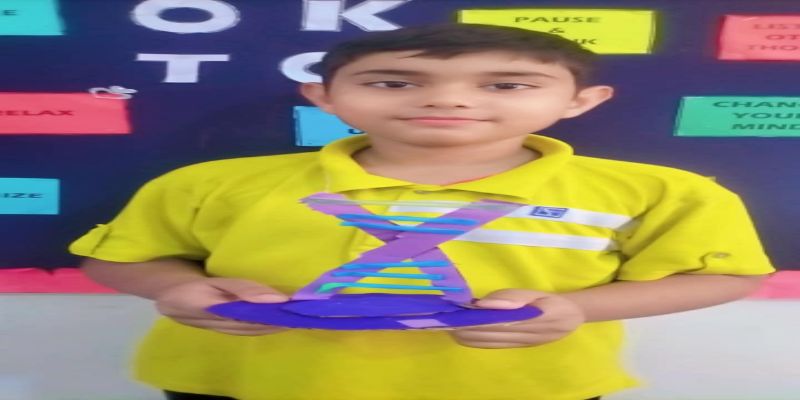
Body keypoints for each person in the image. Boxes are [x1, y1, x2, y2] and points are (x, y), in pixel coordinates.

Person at [69, 23, 774, 400]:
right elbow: (119, 257)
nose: (448, 99)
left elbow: (727, 276)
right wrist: (178, 289)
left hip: (519, 390)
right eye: (393, 82)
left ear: (580, 102)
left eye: (506, 84)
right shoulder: (214, 182)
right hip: (248, 384)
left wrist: (580, 308)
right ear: (323, 97)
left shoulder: (659, 191)